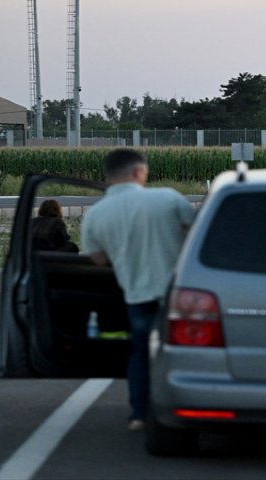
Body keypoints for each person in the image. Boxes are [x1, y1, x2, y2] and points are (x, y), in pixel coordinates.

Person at [81, 149, 195, 432]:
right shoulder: (168, 198)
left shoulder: (95, 215)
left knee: (140, 353)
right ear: (138, 172)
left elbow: (99, 259)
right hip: (179, 296)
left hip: (137, 296)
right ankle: (190, 405)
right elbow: (196, 233)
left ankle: (139, 415)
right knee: (183, 353)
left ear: (108, 175)